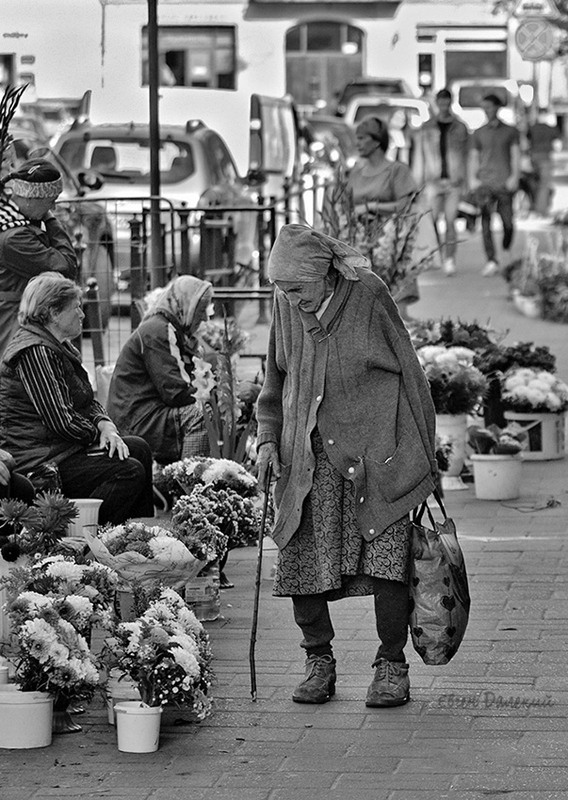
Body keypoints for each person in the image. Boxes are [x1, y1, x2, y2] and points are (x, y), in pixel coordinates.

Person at [256, 224, 438, 708]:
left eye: (297, 289)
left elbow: (412, 375)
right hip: (308, 454)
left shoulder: (369, 294)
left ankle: (391, 665)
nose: (291, 300)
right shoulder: (286, 302)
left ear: (327, 275)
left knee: (387, 563)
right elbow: (275, 375)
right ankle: (319, 661)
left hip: (377, 450)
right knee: (302, 557)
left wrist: (423, 457)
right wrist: (268, 437)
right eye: (281, 290)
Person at [0, 273, 154, 525]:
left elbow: (84, 400)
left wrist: (106, 425)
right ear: (53, 313)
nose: (82, 315)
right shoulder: (35, 353)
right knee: (128, 471)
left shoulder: (57, 346)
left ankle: (136, 538)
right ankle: (88, 540)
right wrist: (96, 434)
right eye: (76, 308)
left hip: (60, 448)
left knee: (137, 447)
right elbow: (60, 421)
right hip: (38, 458)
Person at [106, 275, 214, 465]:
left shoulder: (169, 328)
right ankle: (188, 483)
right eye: (201, 309)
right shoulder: (160, 330)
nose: (205, 317)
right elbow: (176, 391)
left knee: (207, 407)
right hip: (137, 421)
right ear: (185, 305)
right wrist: (215, 395)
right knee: (200, 414)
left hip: (142, 415)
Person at [345, 115, 421, 320]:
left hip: (391, 243)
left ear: (378, 141)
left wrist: (371, 207)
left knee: (396, 314)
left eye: (362, 138)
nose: (357, 143)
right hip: (360, 243)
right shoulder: (356, 172)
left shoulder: (397, 170)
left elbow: (404, 205)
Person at [0, 158, 77, 359]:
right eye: (50, 200)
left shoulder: (13, 221)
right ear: (30, 199)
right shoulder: (14, 237)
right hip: (14, 322)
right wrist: (51, 221)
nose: (53, 205)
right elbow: (66, 267)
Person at [413, 87, 470, 276]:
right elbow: (420, 157)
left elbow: (467, 155)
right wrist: (417, 183)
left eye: (447, 102)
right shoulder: (427, 127)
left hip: (453, 181)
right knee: (433, 220)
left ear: (450, 103)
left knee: (451, 220)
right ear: (437, 103)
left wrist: (467, 181)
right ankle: (438, 253)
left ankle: (450, 258)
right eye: (441, 102)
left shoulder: (460, 127)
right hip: (433, 181)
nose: (444, 106)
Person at [469, 94, 521, 277]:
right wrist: (473, 179)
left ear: (497, 107)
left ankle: (506, 248)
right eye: (484, 107)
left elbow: (516, 155)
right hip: (485, 182)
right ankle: (491, 259)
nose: (486, 110)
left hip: (504, 181)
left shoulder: (510, 131)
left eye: (489, 107)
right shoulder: (478, 132)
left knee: (508, 222)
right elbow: (474, 157)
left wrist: (515, 176)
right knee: (485, 222)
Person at [527, 110, 561, 217]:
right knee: (544, 184)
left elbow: (527, 141)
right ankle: (541, 210)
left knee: (534, 183)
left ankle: (533, 205)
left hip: (533, 157)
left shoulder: (532, 128)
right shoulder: (551, 129)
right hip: (546, 157)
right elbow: (558, 144)